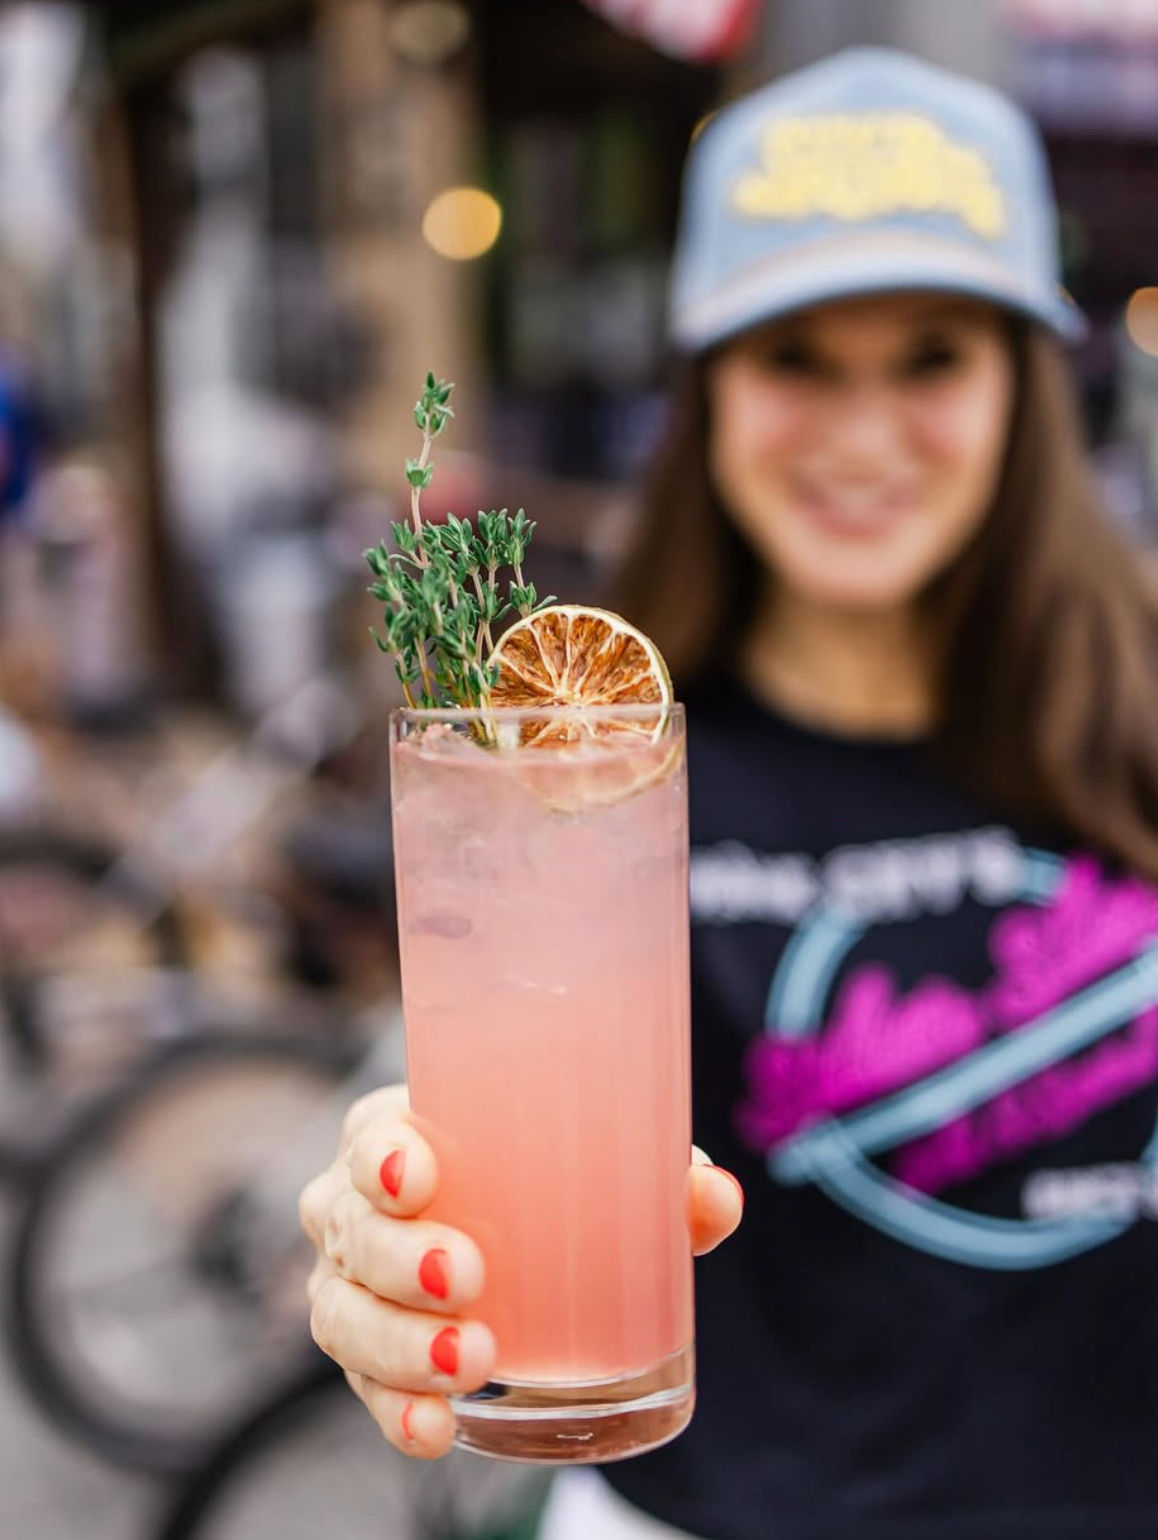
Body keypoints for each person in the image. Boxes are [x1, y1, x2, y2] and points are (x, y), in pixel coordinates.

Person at [299, 47, 1158, 1540]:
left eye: (931, 357)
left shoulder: (1141, 704)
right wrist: (399, 1216)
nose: (861, 431)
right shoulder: (590, 778)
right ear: (707, 389)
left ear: (1023, 383)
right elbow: (492, 1093)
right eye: (795, 359)